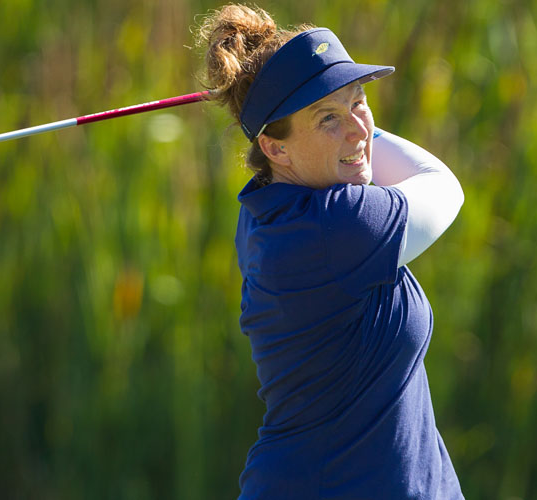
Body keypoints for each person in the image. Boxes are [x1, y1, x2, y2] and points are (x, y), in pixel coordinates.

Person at [196, 5, 465, 499]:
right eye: (327, 119)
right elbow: (442, 186)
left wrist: (341, 120)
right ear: (275, 149)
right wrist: (361, 130)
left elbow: (358, 150)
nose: (358, 130)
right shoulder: (333, 228)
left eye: (361, 102)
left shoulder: (266, 204)